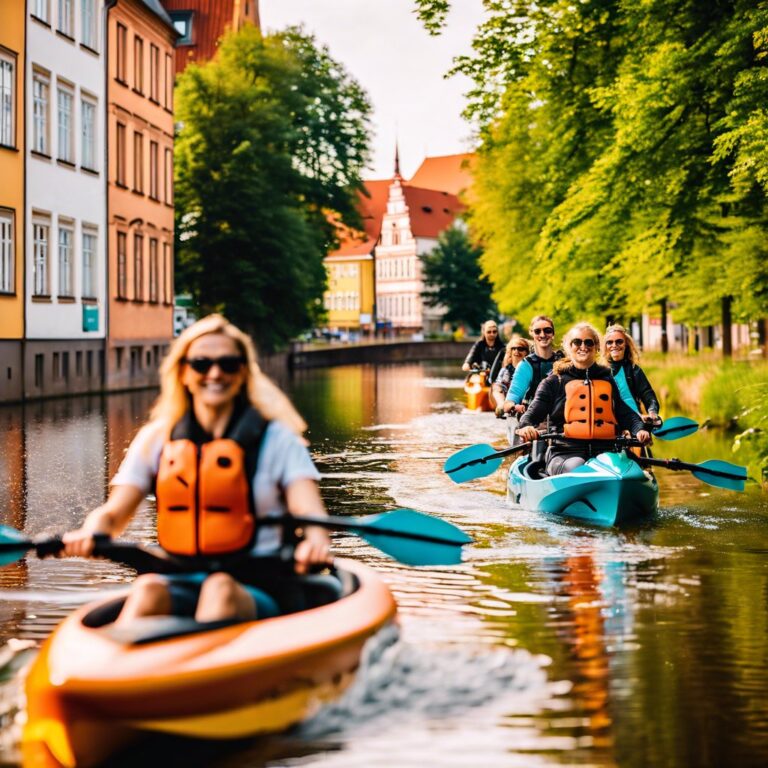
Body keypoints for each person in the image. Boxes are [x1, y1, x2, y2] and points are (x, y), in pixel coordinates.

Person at [61, 314, 331, 625]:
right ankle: (120, 668)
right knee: (148, 588)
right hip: (179, 577)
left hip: (258, 585)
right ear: (184, 373)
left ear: (243, 372)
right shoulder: (156, 439)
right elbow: (113, 514)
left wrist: (316, 542)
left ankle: (199, 669)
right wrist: (91, 533)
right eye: (202, 364)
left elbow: (310, 513)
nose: (215, 373)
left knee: (220, 589)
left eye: (228, 364)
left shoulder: (279, 440)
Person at [516, 322, 652, 475]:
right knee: (579, 467)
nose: (583, 346)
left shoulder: (607, 379)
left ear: (597, 347)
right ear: (568, 347)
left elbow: (624, 413)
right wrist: (526, 427)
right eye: (577, 342)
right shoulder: (554, 381)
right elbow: (530, 416)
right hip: (565, 453)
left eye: (589, 342)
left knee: (620, 467)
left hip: (606, 453)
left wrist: (640, 430)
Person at [502, 315, 564, 416]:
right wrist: (511, 405)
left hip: (560, 418)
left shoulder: (563, 361)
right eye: (537, 331)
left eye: (547, 330)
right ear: (532, 334)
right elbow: (514, 394)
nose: (543, 335)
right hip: (533, 418)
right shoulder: (525, 365)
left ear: (553, 333)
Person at [602, 324, 661, 425]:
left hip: (635, 423)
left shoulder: (634, 370)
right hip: (608, 425)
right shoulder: (600, 371)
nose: (614, 345)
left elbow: (647, 394)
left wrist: (652, 411)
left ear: (626, 345)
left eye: (619, 341)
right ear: (605, 346)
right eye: (610, 342)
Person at [492, 335, 530, 415]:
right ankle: (502, 405)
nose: (516, 351)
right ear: (510, 352)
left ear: (527, 352)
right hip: (509, 399)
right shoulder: (506, 370)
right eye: (514, 349)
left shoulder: (530, 368)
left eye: (520, 349)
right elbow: (500, 386)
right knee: (496, 386)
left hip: (525, 399)